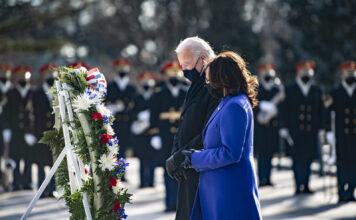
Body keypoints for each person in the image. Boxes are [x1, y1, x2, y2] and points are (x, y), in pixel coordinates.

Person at [180, 51, 262, 219]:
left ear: (221, 78)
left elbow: (230, 153)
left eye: (210, 80)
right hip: (218, 189)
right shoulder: (228, 101)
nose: (208, 84)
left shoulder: (235, 106)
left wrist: (194, 158)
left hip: (228, 191)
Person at [165, 36, 218, 220]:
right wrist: (175, 154)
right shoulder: (196, 84)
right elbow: (185, 121)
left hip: (202, 168)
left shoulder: (215, 87)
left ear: (203, 58)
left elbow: (209, 131)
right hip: (188, 168)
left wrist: (182, 156)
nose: (184, 70)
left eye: (187, 64)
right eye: (181, 65)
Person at [279, 60, 325, 194]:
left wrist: (323, 127)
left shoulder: (317, 89)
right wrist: (283, 126)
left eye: (308, 72)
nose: (306, 74)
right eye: (303, 72)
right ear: (298, 73)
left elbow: (321, 109)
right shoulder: (289, 89)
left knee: (309, 158)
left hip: (312, 129)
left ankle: (306, 184)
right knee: (297, 158)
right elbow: (283, 109)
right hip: (295, 130)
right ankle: (298, 184)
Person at [149, 62, 186, 211]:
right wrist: (154, 134)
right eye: (171, 75)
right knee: (167, 168)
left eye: (176, 75)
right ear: (166, 77)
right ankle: (170, 202)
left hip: (182, 134)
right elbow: (153, 115)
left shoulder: (186, 91)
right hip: (164, 136)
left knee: (182, 168)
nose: (173, 78)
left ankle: (181, 203)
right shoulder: (158, 93)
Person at [325, 61, 356, 202]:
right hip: (341, 135)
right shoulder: (335, 93)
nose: (351, 76)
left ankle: (351, 191)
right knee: (342, 163)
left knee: (354, 163)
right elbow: (326, 112)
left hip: (354, 135)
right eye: (348, 74)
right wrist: (328, 131)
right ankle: (341, 192)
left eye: (353, 73)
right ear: (342, 75)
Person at [2, 65, 36, 190]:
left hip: (29, 132)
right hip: (15, 131)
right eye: (20, 76)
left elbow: (35, 113)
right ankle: (16, 182)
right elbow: (6, 112)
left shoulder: (33, 92)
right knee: (15, 157)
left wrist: (32, 132)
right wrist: (6, 128)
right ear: (16, 78)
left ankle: (27, 181)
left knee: (28, 158)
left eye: (25, 76)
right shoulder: (10, 93)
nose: (22, 78)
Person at [254, 63, 284, 187]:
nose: (267, 75)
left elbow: (283, 107)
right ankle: (261, 178)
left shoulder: (277, 89)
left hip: (272, 126)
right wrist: (260, 105)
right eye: (265, 72)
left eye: (269, 72)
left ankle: (268, 178)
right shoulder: (256, 88)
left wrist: (277, 114)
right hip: (260, 128)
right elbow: (251, 105)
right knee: (261, 154)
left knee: (270, 153)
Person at [30, 63, 57, 197]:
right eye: (47, 75)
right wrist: (30, 132)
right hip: (39, 132)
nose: (50, 77)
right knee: (41, 162)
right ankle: (41, 189)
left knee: (53, 162)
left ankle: (53, 188)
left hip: (54, 132)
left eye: (52, 74)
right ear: (42, 77)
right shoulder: (36, 93)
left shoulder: (58, 92)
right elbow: (30, 113)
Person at [107, 59, 136, 164]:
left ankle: (122, 172)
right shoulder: (110, 87)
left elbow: (134, 105)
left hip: (127, 122)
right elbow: (105, 103)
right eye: (120, 68)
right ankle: (113, 172)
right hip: (114, 122)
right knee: (112, 147)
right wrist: (113, 108)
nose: (122, 70)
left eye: (124, 68)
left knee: (124, 147)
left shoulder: (131, 88)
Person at [131, 72, 157, 188]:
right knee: (141, 159)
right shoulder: (137, 97)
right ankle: (142, 181)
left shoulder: (155, 96)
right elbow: (132, 113)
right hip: (141, 133)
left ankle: (151, 181)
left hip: (152, 132)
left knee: (152, 159)